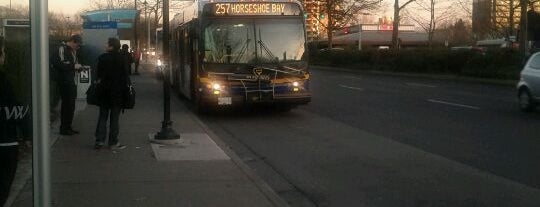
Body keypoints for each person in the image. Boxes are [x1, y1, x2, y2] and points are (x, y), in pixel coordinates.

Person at [0, 36, 29, 206]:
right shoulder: (6, 81)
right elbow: (17, 109)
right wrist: (27, 134)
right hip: (5, 142)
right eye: (2, 52)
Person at [94, 38, 129, 150]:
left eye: (107, 44)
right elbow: (125, 76)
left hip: (104, 92)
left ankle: (99, 141)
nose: (105, 45)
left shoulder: (103, 58)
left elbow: (98, 75)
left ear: (111, 46)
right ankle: (113, 142)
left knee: (102, 117)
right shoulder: (122, 58)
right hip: (117, 93)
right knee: (114, 119)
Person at [51, 34, 83, 135]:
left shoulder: (72, 51)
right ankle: (64, 128)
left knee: (71, 105)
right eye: (77, 45)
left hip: (71, 80)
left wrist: (77, 67)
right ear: (72, 41)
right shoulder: (62, 49)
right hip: (64, 81)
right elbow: (60, 63)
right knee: (67, 104)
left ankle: (68, 126)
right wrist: (74, 66)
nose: (78, 47)